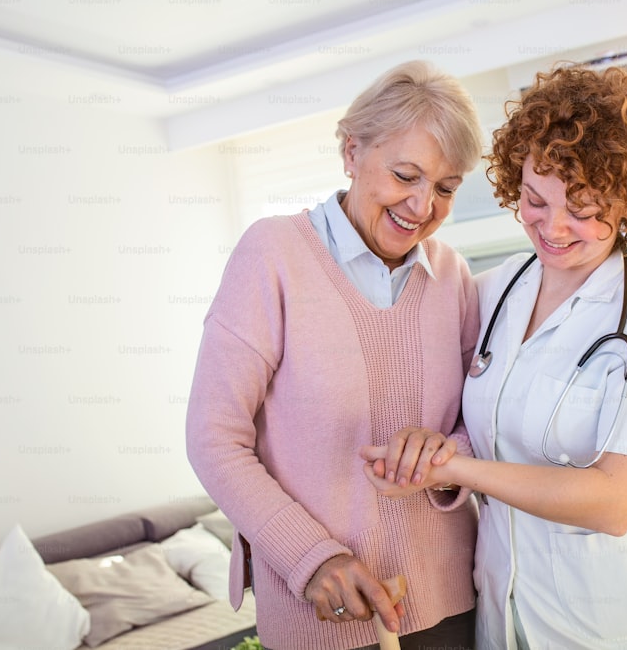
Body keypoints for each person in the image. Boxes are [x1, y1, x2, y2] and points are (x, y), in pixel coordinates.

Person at [362, 64, 627, 648]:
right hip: (505, 617)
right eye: (534, 199)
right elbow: (466, 421)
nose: (552, 227)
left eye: (584, 209)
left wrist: (453, 471)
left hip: (619, 625)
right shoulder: (491, 292)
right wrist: (430, 453)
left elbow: (615, 502)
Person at [186, 61, 483, 650]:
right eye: (406, 175)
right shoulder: (272, 255)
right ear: (352, 152)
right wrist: (312, 559)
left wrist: (448, 454)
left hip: (452, 602)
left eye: (446, 187)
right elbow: (213, 438)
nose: (423, 206)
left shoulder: (451, 275)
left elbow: (481, 421)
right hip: (320, 618)